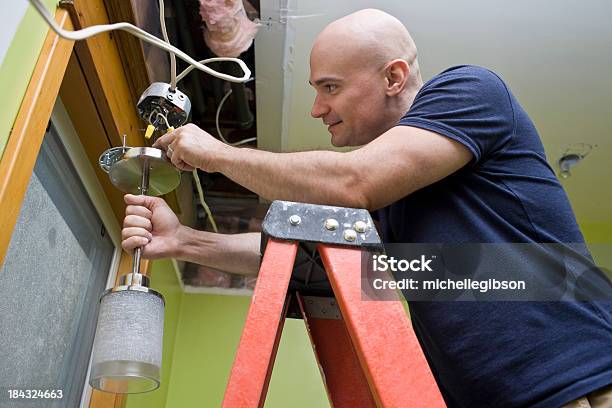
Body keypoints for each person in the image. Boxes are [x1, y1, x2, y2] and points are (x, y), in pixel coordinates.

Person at [121, 8, 612, 408]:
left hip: (581, 383)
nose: (317, 109)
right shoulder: (389, 208)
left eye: (329, 87)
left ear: (394, 77)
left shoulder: (472, 91)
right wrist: (183, 241)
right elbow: (295, 251)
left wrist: (218, 155)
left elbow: (356, 182)